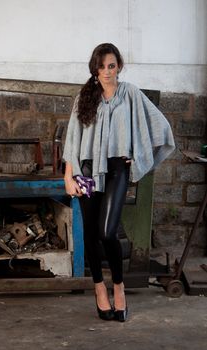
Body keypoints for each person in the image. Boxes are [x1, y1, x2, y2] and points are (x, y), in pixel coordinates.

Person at [62, 43, 175, 322]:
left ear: (119, 67)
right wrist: (68, 174)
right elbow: (73, 138)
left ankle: (119, 286)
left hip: (116, 169)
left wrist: (137, 156)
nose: (107, 72)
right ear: (95, 68)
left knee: (107, 232)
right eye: (101, 66)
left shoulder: (131, 94)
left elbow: (159, 126)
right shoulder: (85, 96)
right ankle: (99, 289)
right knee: (89, 232)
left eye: (111, 66)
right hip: (87, 170)